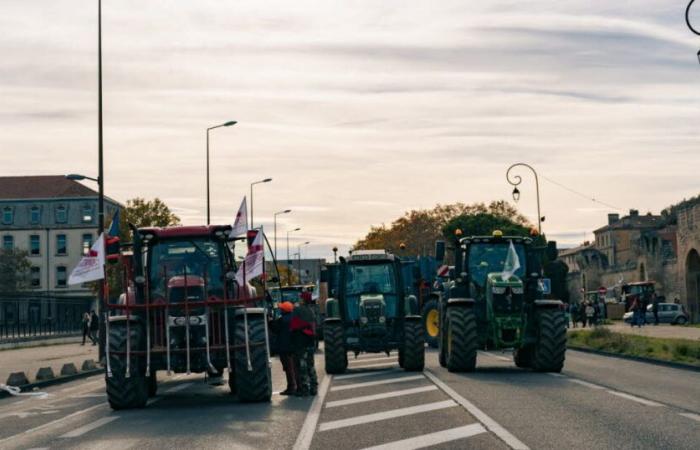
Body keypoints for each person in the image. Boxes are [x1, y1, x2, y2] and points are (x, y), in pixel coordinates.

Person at [290, 291, 318, 397]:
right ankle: (314, 387)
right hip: (310, 341)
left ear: (303, 299)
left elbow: (293, 326)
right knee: (311, 365)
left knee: (302, 366)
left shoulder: (297, 310)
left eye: (300, 297)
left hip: (300, 342)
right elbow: (314, 327)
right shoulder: (311, 310)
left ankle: (305, 389)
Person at [272, 301, 296, 395]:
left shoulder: (281, 320)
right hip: (294, 347)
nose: (280, 310)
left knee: (288, 368)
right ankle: (297, 386)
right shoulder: (295, 319)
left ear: (284, 310)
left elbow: (275, 329)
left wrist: (270, 321)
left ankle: (291, 387)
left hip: (284, 348)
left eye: (281, 308)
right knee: (294, 367)